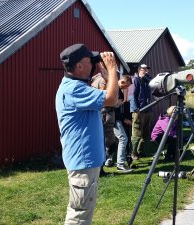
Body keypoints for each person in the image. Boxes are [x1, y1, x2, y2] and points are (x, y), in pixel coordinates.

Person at [55, 43, 118, 225]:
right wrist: (112, 69)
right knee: (79, 215)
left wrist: (106, 76)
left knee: (82, 212)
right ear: (80, 66)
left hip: (86, 162)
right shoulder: (74, 89)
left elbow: (106, 97)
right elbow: (112, 99)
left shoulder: (77, 87)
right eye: (90, 60)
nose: (93, 63)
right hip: (83, 163)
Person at [90, 68, 116, 170]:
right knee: (107, 142)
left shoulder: (95, 79)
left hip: (103, 113)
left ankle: (100, 166)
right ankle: (100, 167)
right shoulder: (102, 80)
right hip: (105, 112)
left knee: (104, 141)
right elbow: (104, 97)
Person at [130, 64, 153, 160]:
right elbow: (132, 95)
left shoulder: (147, 81)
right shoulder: (135, 80)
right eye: (144, 69)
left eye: (147, 69)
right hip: (139, 111)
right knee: (137, 134)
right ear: (139, 70)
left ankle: (140, 151)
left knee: (146, 134)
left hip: (147, 109)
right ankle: (133, 153)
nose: (146, 71)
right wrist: (135, 108)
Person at [113, 75, 133, 172]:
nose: (127, 88)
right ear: (123, 82)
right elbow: (112, 109)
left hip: (117, 118)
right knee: (123, 139)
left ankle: (109, 160)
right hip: (112, 119)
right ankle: (120, 164)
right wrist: (124, 119)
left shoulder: (119, 91)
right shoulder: (114, 90)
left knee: (113, 141)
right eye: (126, 86)